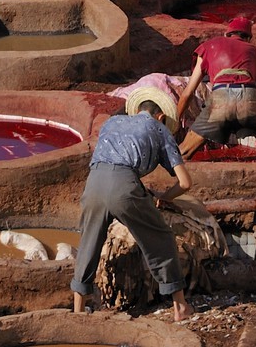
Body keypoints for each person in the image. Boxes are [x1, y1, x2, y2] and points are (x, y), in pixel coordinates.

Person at [71, 102, 194, 322]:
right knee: (161, 239)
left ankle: (78, 312)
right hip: (124, 186)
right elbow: (185, 182)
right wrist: (163, 198)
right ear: (161, 116)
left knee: (88, 243)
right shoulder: (159, 129)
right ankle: (181, 307)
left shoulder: (113, 121)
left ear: (137, 111)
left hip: (93, 183)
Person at [177, 14, 256, 162]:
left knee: (181, 155)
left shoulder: (209, 46)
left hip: (220, 102)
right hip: (249, 99)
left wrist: (176, 121)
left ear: (227, 34)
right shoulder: (254, 52)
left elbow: (188, 93)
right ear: (248, 38)